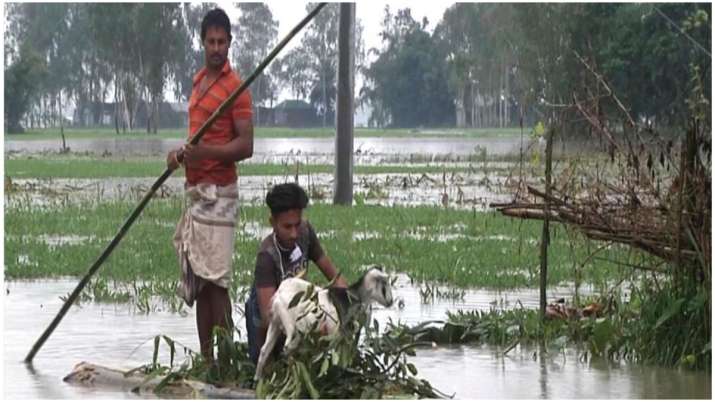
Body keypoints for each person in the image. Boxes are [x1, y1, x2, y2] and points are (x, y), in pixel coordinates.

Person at [166, 7, 253, 364]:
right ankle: (207, 361)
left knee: (217, 281)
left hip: (220, 193)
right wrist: (180, 156)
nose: (217, 47)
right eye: (211, 41)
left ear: (230, 43)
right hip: (196, 192)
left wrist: (205, 152)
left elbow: (245, 147)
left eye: (222, 41)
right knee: (202, 282)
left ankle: (227, 356)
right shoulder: (198, 81)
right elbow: (193, 141)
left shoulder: (237, 89)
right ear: (202, 43)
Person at [245, 183, 348, 364]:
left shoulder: (305, 232)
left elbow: (333, 276)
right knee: (268, 366)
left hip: (298, 308)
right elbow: (268, 317)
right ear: (273, 223)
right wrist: (306, 330)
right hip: (269, 317)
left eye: (297, 225)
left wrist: (349, 306)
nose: (294, 234)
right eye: (287, 227)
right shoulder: (267, 256)